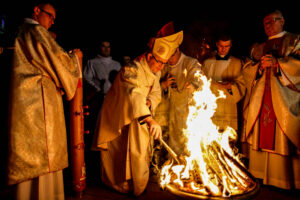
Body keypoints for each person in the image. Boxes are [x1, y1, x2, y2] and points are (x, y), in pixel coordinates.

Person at [92, 23, 183, 196]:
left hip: (139, 115)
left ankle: (138, 185)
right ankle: (119, 184)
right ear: (150, 56)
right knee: (120, 153)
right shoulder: (131, 69)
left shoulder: (152, 70)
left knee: (140, 151)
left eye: (164, 63)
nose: (161, 67)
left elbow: (155, 91)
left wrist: (149, 101)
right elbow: (132, 92)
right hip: (120, 118)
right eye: (160, 62)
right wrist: (149, 119)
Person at [7, 3, 83, 200]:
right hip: (39, 105)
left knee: (32, 156)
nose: (52, 21)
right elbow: (59, 61)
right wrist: (75, 58)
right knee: (42, 156)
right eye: (50, 15)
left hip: (26, 100)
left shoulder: (21, 32)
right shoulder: (35, 30)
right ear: (36, 10)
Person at [241, 9, 300, 190]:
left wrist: (278, 65)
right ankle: (260, 175)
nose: (268, 26)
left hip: (283, 99)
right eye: (265, 23)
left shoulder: (294, 40)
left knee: (282, 132)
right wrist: (258, 68)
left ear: (282, 21)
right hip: (261, 99)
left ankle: (286, 180)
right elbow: (246, 70)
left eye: (272, 21)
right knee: (260, 131)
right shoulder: (258, 47)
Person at [154, 22, 202, 157]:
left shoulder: (190, 63)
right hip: (165, 112)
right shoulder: (162, 65)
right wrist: (163, 85)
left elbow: (199, 79)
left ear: (177, 50)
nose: (168, 60)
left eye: (171, 56)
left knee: (185, 143)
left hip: (184, 113)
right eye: (166, 57)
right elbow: (152, 86)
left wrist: (193, 85)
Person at [202, 34, 246, 133]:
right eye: (221, 46)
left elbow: (242, 85)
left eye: (226, 46)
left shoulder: (237, 63)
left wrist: (231, 87)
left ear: (230, 46)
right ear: (217, 45)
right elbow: (201, 82)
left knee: (228, 139)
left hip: (228, 106)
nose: (223, 49)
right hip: (212, 106)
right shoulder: (208, 63)